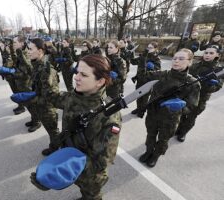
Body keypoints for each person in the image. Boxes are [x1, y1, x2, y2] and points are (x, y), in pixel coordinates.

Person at [46, 54, 122, 200]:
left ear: (100, 81)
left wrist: (61, 172)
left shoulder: (109, 116)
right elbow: (53, 98)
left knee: (91, 195)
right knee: (83, 192)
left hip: (90, 175)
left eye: (84, 75)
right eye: (77, 72)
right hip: (72, 162)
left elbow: (101, 162)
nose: (76, 77)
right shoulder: (73, 97)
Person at [139, 48, 200, 167]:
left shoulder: (193, 83)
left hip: (170, 119)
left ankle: (155, 155)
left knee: (163, 140)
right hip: (153, 113)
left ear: (190, 62)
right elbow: (142, 76)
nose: (176, 61)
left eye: (181, 59)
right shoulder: (162, 74)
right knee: (150, 134)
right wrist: (143, 61)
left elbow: (192, 105)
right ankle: (148, 151)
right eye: (175, 58)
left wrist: (180, 107)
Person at [175, 46, 223, 142]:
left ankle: (183, 132)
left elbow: (217, 87)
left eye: (211, 53)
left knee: (191, 117)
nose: (207, 55)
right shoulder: (196, 65)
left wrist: (209, 85)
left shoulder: (219, 70)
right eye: (206, 53)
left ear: (217, 55)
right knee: (182, 113)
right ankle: (178, 129)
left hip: (200, 98)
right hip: (187, 94)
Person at [27, 38, 60, 156]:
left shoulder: (46, 70)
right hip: (40, 106)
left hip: (47, 109)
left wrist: (30, 98)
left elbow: (51, 97)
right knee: (50, 130)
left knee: (53, 131)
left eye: (31, 49)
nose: (28, 51)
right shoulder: (37, 65)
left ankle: (56, 150)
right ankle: (55, 147)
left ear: (40, 51)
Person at [130, 42, 161, 118]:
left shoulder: (156, 58)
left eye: (151, 48)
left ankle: (142, 111)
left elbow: (158, 70)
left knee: (145, 98)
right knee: (138, 95)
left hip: (148, 80)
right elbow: (133, 62)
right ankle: (138, 108)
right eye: (148, 47)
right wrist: (131, 55)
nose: (148, 49)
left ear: (155, 49)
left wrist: (153, 67)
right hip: (140, 79)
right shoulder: (144, 56)